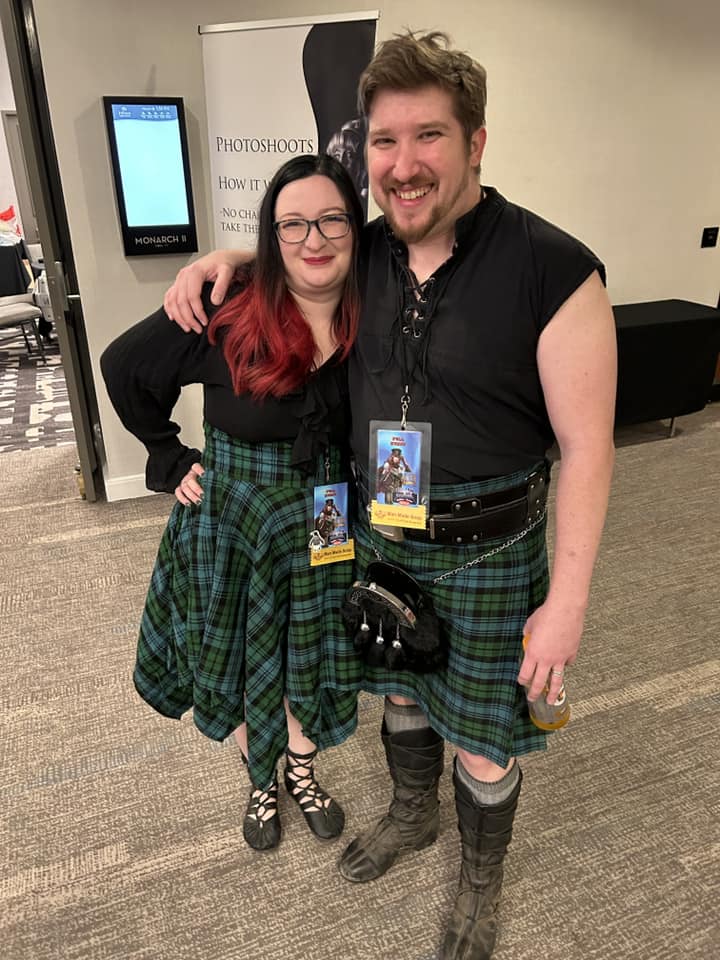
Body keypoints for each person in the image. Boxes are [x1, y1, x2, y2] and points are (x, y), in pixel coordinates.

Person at [162, 31, 617, 960]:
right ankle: (413, 812)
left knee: (483, 737)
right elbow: (297, 255)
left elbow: (587, 448)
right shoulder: (365, 251)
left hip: (492, 550)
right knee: (400, 699)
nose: (403, 165)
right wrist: (219, 259)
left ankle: (480, 879)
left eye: (428, 136)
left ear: (476, 141)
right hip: (381, 531)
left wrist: (568, 601)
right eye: (384, 141)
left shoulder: (555, 268)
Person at [100, 154, 366, 852]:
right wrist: (169, 457)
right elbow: (124, 367)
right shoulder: (228, 311)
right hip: (234, 518)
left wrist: (237, 253)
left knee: (312, 650)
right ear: (272, 235)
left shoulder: (374, 308)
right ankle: (259, 779)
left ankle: (300, 769)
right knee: (241, 658)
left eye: (331, 219)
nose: (314, 238)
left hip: (327, 514)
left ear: (355, 226)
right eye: (292, 224)